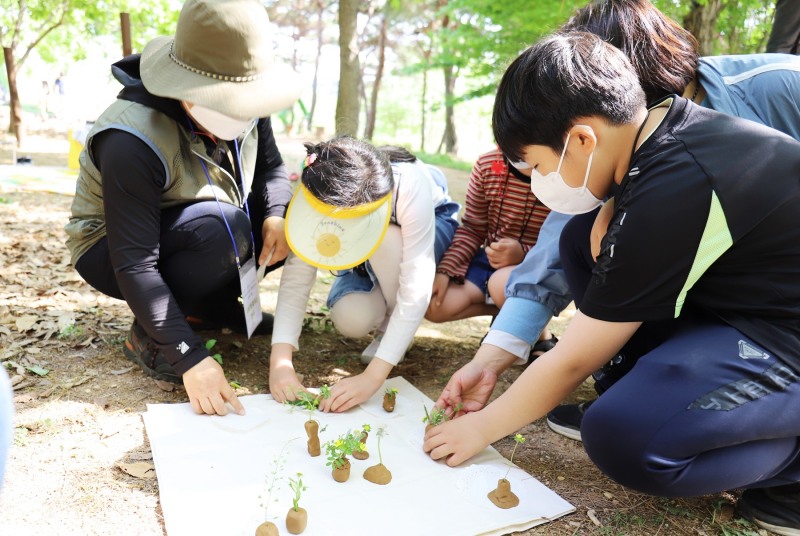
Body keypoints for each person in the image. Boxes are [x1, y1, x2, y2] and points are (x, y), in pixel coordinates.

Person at [426, 30, 800, 535]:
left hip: (783, 338)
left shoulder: (676, 185)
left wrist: (482, 427)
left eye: (537, 165)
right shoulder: (658, 133)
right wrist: (491, 361)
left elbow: (575, 356)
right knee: (582, 240)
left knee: (626, 438)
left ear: (582, 138)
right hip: (748, 310)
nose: (540, 182)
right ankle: (662, 395)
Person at [541, 0, 800, 441]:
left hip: (777, 294)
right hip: (719, 274)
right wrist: (503, 343)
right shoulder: (637, 146)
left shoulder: (780, 84)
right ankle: (634, 389)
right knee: (580, 237)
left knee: (632, 439)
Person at [64, 0, 302, 417]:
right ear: (189, 91)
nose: (244, 115)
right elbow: (135, 262)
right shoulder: (130, 139)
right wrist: (189, 357)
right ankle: (151, 335)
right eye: (230, 106)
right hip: (112, 249)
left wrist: (277, 215)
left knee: (287, 221)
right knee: (220, 228)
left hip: (199, 226)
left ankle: (206, 308)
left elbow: (271, 168)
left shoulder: (246, 102)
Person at [269, 137, 459, 413]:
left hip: (426, 221)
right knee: (352, 319)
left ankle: (392, 330)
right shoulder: (318, 185)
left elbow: (416, 286)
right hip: (364, 242)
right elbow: (298, 273)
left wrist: (373, 378)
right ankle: (385, 316)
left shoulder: (409, 185)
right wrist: (280, 363)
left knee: (388, 241)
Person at [424, 148, 557, 356]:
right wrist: (445, 271)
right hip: (488, 262)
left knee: (501, 285)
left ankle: (542, 337)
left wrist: (523, 254)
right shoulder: (488, 165)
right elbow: (472, 228)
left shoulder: (560, 174)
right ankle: (510, 318)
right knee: (434, 306)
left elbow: (559, 242)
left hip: (534, 267)